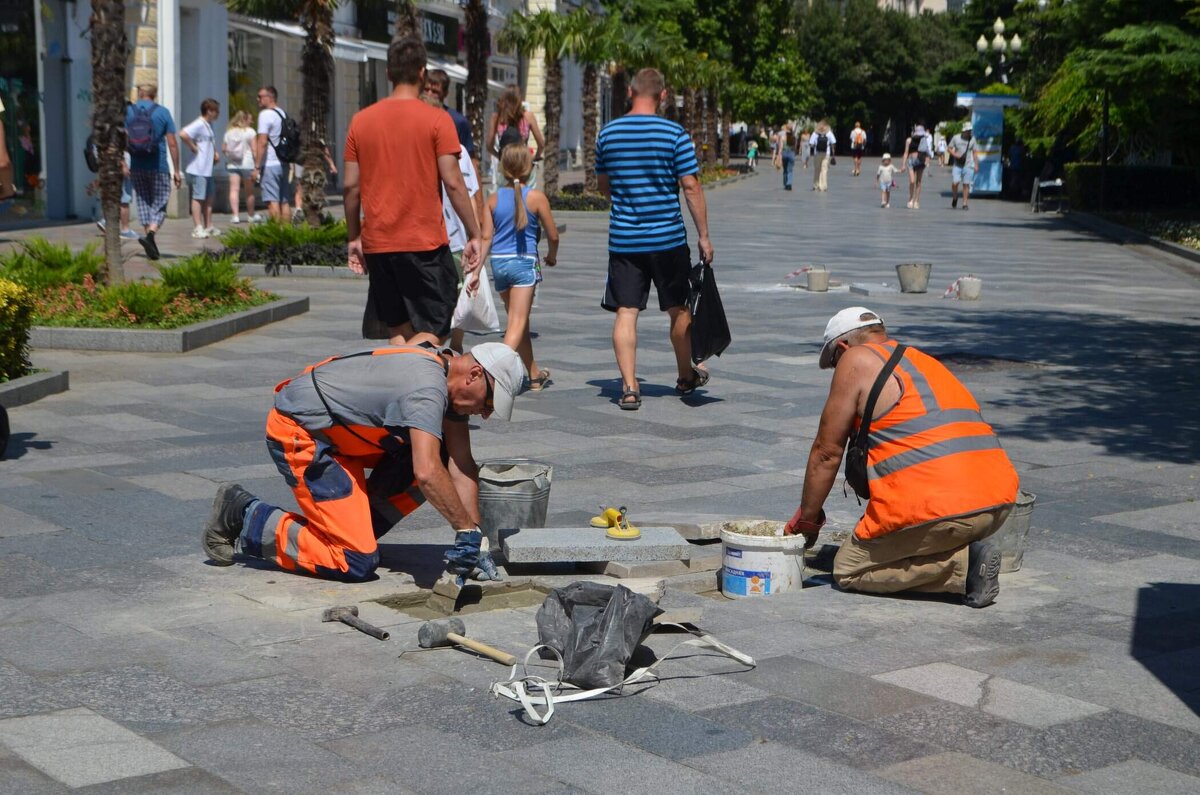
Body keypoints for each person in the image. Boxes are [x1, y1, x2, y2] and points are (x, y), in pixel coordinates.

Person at [201, 342, 527, 583]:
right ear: (473, 374)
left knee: (437, 453)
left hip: (341, 438)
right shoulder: (427, 389)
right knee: (354, 560)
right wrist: (463, 530)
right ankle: (244, 514)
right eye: (488, 402)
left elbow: (462, 464)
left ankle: (355, 528)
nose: (486, 413)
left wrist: (477, 541)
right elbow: (426, 473)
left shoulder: (446, 380)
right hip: (302, 433)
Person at [784, 307, 1018, 608]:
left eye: (833, 363)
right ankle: (961, 548)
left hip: (947, 512)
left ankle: (964, 566)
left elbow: (826, 453)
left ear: (842, 348)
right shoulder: (920, 360)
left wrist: (807, 520)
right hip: (997, 506)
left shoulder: (855, 359)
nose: (836, 371)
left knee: (849, 568)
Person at [343, 36, 482, 348]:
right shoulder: (437, 120)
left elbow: (351, 187)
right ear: (423, 73)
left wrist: (354, 237)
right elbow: (454, 181)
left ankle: (402, 391)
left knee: (399, 328)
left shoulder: (360, 121)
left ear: (389, 73)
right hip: (423, 242)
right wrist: (475, 232)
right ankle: (409, 379)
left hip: (379, 243)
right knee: (440, 321)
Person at [595, 67, 714, 411]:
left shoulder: (608, 133)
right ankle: (684, 375)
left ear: (630, 93)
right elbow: (690, 187)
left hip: (624, 241)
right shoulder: (675, 134)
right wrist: (704, 236)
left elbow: (605, 187)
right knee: (678, 311)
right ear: (663, 96)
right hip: (668, 240)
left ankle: (630, 387)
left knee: (626, 313)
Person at [482, 144, 559, 390]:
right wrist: (552, 255)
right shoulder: (536, 197)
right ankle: (490, 376)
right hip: (524, 263)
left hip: (499, 264)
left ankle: (534, 374)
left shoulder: (492, 199)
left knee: (519, 322)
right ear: (529, 168)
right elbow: (553, 235)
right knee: (517, 322)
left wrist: (475, 268)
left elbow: (486, 237)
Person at [417, 93, 480, 354]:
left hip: (423, 237)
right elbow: (471, 193)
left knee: (427, 298)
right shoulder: (460, 150)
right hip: (453, 236)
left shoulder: (413, 148)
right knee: (455, 294)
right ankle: (454, 345)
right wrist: (475, 232)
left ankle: (429, 348)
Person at [125, 84, 182, 260]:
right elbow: (172, 143)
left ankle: (151, 243)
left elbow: (121, 136)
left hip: (136, 165)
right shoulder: (162, 112)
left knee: (143, 202)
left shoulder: (129, 112)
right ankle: (150, 235)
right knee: (160, 202)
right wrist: (177, 170)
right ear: (154, 95)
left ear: (139, 94)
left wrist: (122, 162)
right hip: (158, 166)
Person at [425, 68, 483, 225]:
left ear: (445, 94)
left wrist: (479, 207)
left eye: (435, 91)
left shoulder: (457, 121)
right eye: (426, 89)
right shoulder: (416, 117)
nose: (429, 94)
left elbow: (472, 164)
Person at [486, 85, 544, 188]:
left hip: (505, 164)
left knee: (503, 196)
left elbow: (489, 146)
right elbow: (541, 143)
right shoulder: (528, 116)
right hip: (524, 162)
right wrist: (535, 157)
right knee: (527, 196)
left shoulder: (497, 117)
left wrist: (499, 156)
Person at [179, 98, 221, 239]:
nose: (217, 114)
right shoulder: (199, 124)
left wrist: (214, 152)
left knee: (209, 197)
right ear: (209, 111)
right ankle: (197, 227)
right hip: (199, 168)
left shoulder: (208, 125)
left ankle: (209, 225)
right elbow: (183, 134)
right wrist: (193, 147)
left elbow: (210, 141)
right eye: (215, 111)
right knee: (198, 197)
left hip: (207, 168)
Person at [251, 85, 291, 221]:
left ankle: (276, 235)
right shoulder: (282, 113)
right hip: (283, 163)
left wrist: (257, 166)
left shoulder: (265, 115)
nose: (258, 99)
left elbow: (262, 141)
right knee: (284, 200)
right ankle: (287, 233)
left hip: (270, 164)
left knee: (272, 201)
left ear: (270, 97)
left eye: (260, 96)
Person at [222, 110, 260, 224]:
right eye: (250, 119)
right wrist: (257, 165)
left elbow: (224, 148)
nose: (251, 121)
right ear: (245, 119)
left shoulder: (229, 132)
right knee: (249, 191)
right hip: (247, 164)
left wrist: (230, 155)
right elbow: (254, 150)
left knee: (234, 190)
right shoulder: (250, 132)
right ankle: (251, 215)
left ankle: (235, 216)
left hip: (232, 164)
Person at [95, 151, 139, 239]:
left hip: (108, 165)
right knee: (125, 199)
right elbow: (117, 146)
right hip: (119, 164)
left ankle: (105, 220)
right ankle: (125, 230)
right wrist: (124, 165)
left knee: (111, 194)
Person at [901, 124, 933, 210]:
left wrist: (927, 161)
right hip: (911, 161)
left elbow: (927, 151)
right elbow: (906, 152)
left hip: (920, 161)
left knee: (918, 182)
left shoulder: (924, 140)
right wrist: (903, 164)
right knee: (912, 181)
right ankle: (911, 198)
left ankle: (917, 201)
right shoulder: (909, 140)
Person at [949, 122, 979, 210]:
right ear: (964, 131)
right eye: (968, 130)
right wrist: (955, 154)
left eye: (970, 130)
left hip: (968, 164)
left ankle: (965, 203)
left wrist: (976, 164)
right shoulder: (956, 138)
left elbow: (975, 152)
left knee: (966, 184)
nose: (969, 132)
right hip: (957, 164)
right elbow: (949, 148)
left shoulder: (973, 139)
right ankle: (955, 197)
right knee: (955, 182)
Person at [810, 120, 835, 192]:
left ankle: (816, 185)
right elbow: (833, 143)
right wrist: (833, 154)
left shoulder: (815, 133)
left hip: (817, 153)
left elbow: (811, 144)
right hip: (826, 153)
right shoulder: (829, 133)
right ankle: (823, 186)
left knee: (817, 169)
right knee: (824, 170)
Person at [775, 124, 796, 191]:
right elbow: (795, 148)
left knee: (785, 170)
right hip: (791, 153)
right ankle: (789, 184)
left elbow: (780, 147)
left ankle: (785, 183)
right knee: (790, 170)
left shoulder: (783, 137)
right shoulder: (794, 137)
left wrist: (779, 155)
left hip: (784, 153)